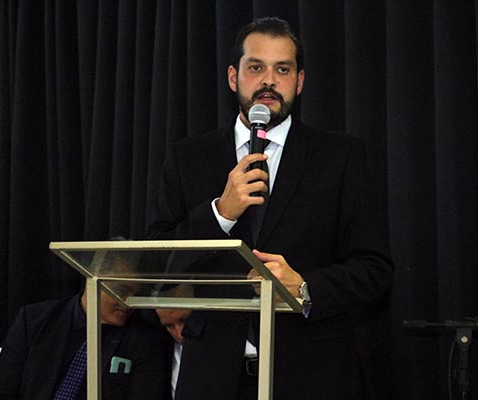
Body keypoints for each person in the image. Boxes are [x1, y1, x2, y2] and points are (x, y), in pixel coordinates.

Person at [147, 17, 393, 400]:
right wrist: (220, 213)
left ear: (300, 81)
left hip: (311, 375)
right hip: (212, 376)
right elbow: (157, 262)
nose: (268, 81)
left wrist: (305, 288)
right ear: (233, 77)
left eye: (282, 69)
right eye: (255, 67)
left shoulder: (340, 156)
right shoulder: (188, 157)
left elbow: (374, 269)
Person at [0, 248, 169, 400]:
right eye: (121, 290)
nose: (127, 302)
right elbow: (0, 392)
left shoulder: (145, 341)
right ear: (92, 280)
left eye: (136, 295)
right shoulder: (34, 321)